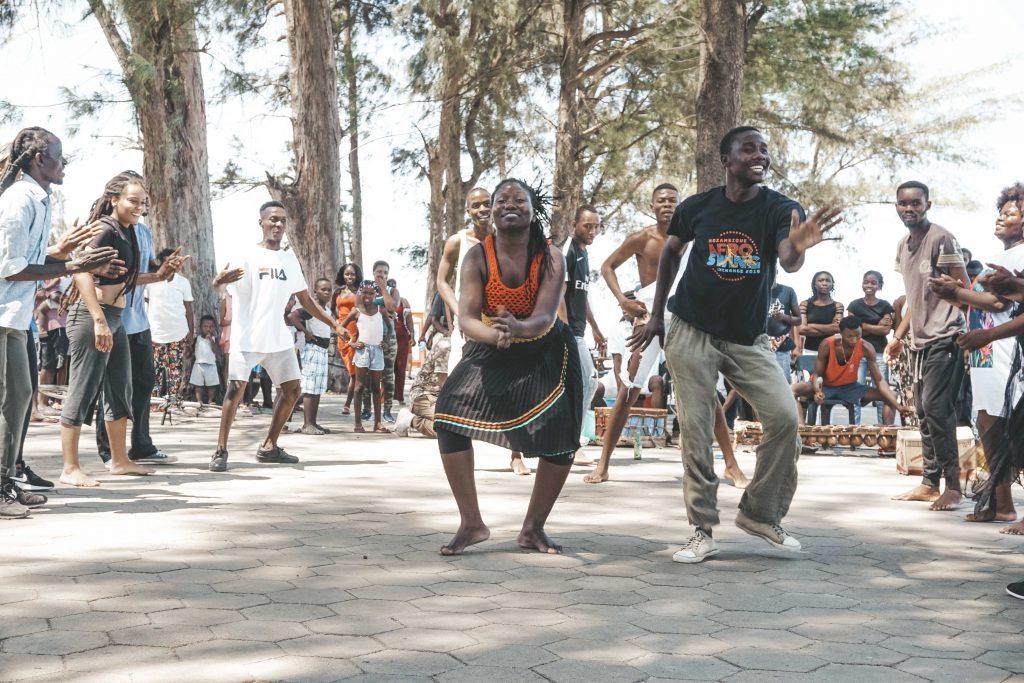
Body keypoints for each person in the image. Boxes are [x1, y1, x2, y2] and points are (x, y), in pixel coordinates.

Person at [631, 125, 843, 563]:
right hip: (690, 328)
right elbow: (671, 251)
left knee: (784, 418)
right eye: (749, 149)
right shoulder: (699, 206)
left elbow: (787, 257)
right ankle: (701, 530)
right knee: (695, 429)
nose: (759, 155)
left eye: (764, 150)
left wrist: (800, 247)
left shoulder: (780, 208)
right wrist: (656, 315)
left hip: (747, 336)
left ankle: (760, 514)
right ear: (726, 160)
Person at [433, 179, 582, 555]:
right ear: (492, 211)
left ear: (534, 210)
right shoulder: (477, 256)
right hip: (491, 342)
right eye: (502, 200)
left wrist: (518, 328)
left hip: (546, 347)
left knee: (562, 435)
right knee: (448, 416)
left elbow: (546, 315)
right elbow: (466, 317)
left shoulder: (551, 256)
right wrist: (494, 335)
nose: (508, 205)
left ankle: (533, 529)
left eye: (519, 200)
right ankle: (471, 523)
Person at [583, 184, 748, 487]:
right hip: (647, 316)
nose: (668, 205)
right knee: (629, 388)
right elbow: (607, 267)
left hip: (683, 317)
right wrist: (623, 300)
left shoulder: (695, 238)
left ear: (680, 205)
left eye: (673, 200)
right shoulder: (642, 238)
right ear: (651, 206)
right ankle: (603, 464)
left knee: (705, 390)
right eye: (662, 201)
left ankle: (731, 465)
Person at [1, 127, 120, 514]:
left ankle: (8, 480)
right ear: (40, 159)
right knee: (7, 399)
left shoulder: (42, 196)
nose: (63, 162)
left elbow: (32, 258)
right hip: (3, 313)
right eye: (58, 154)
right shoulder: (20, 199)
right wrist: (71, 265)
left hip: (16, 316)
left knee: (19, 398)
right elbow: (9, 267)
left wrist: (67, 257)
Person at [58, 172, 188, 487]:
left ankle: (119, 461)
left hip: (116, 319)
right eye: (133, 200)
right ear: (114, 199)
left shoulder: (129, 231)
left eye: (143, 202)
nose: (139, 207)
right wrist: (99, 320)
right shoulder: (104, 228)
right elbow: (81, 273)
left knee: (120, 389)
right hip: (93, 317)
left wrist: (160, 275)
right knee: (83, 389)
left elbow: (127, 279)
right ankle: (70, 467)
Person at [208, 201, 343, 472]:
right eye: (272, 219)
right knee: (235, 390)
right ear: (261, 222)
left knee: (292, 390)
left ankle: (269, 446)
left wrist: (334, 323)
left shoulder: (289, 260)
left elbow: (306, 300)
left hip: (279, 338)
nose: (278, 224)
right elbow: (220, 286)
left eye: (282, 220)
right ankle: (220, 450)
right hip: (248, 338)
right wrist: (217, 282)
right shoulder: (245, 255)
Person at [932, 184, 1024, 528]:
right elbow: (983, 305)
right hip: (985, 349)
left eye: (1011, 214)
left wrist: (958, 291)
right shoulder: (1001, 256)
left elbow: (1003, 304)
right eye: (1000, 213)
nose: (1001, 219)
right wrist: (952, 295)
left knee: (1013, 428)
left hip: (1007, 349)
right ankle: (999, 504)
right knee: (989, 425)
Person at [886, 180, 971, 511]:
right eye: (903, 204)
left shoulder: (942, 237)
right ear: (896, 206)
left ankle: (953, 486)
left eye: (916, 203)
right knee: (922, 409)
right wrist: (897, 337)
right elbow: (912, 296)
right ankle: (928, 482)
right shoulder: (902, 245)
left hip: (946, 336)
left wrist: (967, 336)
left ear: (927, 205)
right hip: (918, 340)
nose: (909, 209)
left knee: (937, 408)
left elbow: (963, 287)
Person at [437, 186, 529, 475]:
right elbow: (442, 281)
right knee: (454, 395)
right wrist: (460, 311)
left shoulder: (506, 239)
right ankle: (462, 457)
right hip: (467, 327)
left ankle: (516, 454)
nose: (481, 210)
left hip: (501, 325)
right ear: (467, 210)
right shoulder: (457, 241)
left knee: (513, 391)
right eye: (475, 206)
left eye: (486, 204)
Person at [791, 316, 909, 425]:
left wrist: (898, 406)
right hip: (825, 386)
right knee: (791, 390)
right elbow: (817, 375)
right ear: (841, 333)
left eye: (857, 335)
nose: (854, 340)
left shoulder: (866, 347)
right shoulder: (827, 344)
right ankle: (801, 432)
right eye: (849, 336)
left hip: (850, 388)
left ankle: (887, 441)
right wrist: (818, 391)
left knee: (892, 395)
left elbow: (879, 380)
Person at [558, 205, 606, 456]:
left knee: (578, 385)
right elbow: (559, 295)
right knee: (588, 382)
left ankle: (567, 440)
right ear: (574, 224)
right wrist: (565, 332)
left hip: (579, 330)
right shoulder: (567, 251)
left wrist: (596, 328)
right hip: (567, 332)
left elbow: (582, 294)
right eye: (588, 225)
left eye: (596, 226)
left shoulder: (584, 255)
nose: (593, 230)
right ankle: (571, 441)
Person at [287, 277, 334, 435]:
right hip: (313, 349)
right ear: (315, 291)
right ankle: (307, 424)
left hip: (322, 350)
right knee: (310, 387)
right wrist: (305, 331)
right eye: (323, 289)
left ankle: (313, 422)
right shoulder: (311, 308)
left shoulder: (326, 310)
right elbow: (292, 317)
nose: (327, 292)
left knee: (317, 388)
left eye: (329, 289)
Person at [340, 280, 389, 433]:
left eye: (371, 293)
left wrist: (386, 342)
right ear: (360, 293)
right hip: (362, 351)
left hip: (377, 351)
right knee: (359, 386)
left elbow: (391, 328)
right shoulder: (356, 311)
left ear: (376, 294)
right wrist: (351, 343)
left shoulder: (381, 310)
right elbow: (340, 328)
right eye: (365, 293)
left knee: (376, 387)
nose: (367, 296)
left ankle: (377, 424)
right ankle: (357, 424)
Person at [848, 270, 895, 424]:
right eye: (866, 282)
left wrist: (862, 325)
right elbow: (851, 330)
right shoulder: (854, 305)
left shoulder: (885, 305)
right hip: (858, 353)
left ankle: (884, 429)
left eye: (873, 283)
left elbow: (885, 330)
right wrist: (875, 325)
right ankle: (854, 429)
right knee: (856, 390)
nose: (869, 285)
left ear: (879, 286)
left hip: (880, 353)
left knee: (882, 391)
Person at [147, 247, 195, 400]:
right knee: (154, 370)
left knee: (175, 369)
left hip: (178, 332)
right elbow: (145, 303)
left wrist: (191, 332)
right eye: (168, 262)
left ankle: (172, 401)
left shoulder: (183, 283)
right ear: (161, 262)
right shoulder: (151, 281)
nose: (171, 265)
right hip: (155, 332)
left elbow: (189, 309)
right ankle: (155, 401)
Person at [798, 271, 842, 377]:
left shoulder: (838, 306)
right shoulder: (805, 304)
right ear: (814, 284)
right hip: (810, 351)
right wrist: (829, 328)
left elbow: (837, 329)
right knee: (809, 386)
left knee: (828, 385)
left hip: (830, 352)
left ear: (832, 285)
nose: (824, 283)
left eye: (828, 280)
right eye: (821, 280)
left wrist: (811, 326)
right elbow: (802, 330)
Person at [371, 261, 399, 422]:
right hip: (370, 337)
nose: (382, 275)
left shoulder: (392, 291)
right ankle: (367, 410)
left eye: (385, 272)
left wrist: (382, 288)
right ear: (373, 273)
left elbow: (393, 307)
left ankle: (387, 411)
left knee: (388, 376)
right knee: (369, 377)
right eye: (379, 272)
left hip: (388, 337)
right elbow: (362, 307)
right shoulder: (366, 289)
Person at [332, 262, 362, 415]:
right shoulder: (337, 292)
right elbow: (332, 310)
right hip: (341, 332)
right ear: (342, 275)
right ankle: (353, 401)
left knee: (354, 372)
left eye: (352, 274)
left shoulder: (360, 292)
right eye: (347, 274)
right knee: (350, 369)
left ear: (357, 276)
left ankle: (348, 403)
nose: (350, 277)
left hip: (355, 331)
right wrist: (336, 323)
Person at [767, 277, 801, 382]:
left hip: (781, 346)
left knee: (783, 383)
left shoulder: (788, 291)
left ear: (775, 271)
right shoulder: (754, 290)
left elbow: (799, 320)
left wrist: (783, 317)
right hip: (758, 344)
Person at [389, 278, 413, 406]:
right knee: (386, 367)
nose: (392, 286)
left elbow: (409, 319)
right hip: (385, 336)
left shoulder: (403, 301)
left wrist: (412, 335)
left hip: (401, 337)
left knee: (400, 366)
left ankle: (399, 397)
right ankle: (384, 397)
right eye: (390, 284)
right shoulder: (381, 299)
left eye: (394, 284)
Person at [190, 314, 222, 405]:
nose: (208, 329)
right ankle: (199, 400)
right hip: (198, 365)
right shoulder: (197, 339)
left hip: (211, 365)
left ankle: (210, 400)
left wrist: (211, 341)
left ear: (214, 327)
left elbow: (216, 350)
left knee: (211, 385)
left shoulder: (214, 339)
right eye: (205, 326)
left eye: (210, 327)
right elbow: (192, 350)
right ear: (201, 327)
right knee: (198, 385)